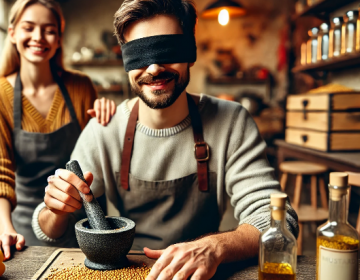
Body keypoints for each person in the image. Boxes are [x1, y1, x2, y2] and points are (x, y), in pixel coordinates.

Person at [34, 0, 299, 279]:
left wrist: (214, 246)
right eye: (139, 54)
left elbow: (278, 221)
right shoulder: (104, 128)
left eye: (167, 49)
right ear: (126, 61)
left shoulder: (232, 122)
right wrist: (55, 210)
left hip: (207, 272)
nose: (154, 67)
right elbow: (52, 231)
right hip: (128, 272)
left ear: (191, 53)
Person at [0, 0, 116, 260]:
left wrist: (107, 115)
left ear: (59, 38)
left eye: (49, 30)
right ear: (13, 32)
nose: (38, 37)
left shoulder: (81, 86)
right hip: (25, 232)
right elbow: (1, 169)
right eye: (29, 27)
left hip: (85, 225)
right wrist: (4, 227)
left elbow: (99, 149)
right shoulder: (1, 95)